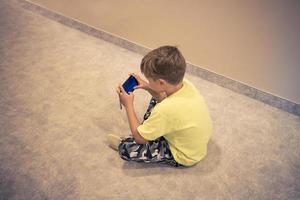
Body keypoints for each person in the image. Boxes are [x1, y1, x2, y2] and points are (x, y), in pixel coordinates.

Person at [107, 45, 212, 167]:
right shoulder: (186, 84)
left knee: (127, 149)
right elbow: (164, 99)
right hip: (192, 141)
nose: (148, 82)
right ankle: (152, 129)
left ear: (161, 82)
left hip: (184, 154)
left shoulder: (165, 110)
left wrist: (128, 105)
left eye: (150, 80)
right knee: (157, 97)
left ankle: (127, 142)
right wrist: (148, 86)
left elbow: (139, 139)